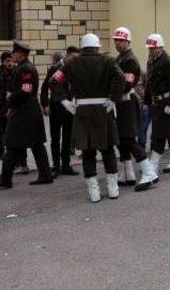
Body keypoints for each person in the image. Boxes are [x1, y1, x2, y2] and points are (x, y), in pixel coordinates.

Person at [49, 33, 125, 202]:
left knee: (88, 152)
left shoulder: (71, 63)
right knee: (108, 150)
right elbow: (120, 78)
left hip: (82, 112)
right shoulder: (108, 61)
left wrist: (64, 102)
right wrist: (113, 98)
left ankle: (94, 193)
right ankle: (113, 189)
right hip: (103, 110)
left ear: (82, 47)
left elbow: (54, 81)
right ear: (97, 46)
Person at [0, 41, 53, 189]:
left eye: (14, 53)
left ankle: (6, 179)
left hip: (25, 112)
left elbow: (26, 90)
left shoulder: (26, 69)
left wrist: (10, 98)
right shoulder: (23, 67)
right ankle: (44, 174)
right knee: (32, 144)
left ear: (21, 54)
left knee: (12, 143)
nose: (12, 55)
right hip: (26, 111)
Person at [138, 33, 170, 189]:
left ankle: (152, 166)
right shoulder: (152, 62)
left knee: (158, 134)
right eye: (149, 48)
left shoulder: (169, 62)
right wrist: (146, 101)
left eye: (153, 48)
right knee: (169, 133)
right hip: (156, 102)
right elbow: (149, 84)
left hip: (166, 102)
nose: (150, 50)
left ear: (160, 47)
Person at [112, 27, 149, 189]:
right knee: (121, 140)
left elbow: (126, 85)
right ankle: (128, 173)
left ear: (127, 41)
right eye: (115, 40)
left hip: (127, 102)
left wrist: (110, 94)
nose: (117, 43)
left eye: (120, 40)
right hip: (121, 103)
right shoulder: (121, 58)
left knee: (128, 139)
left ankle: (148, 171)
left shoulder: (130, 60)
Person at [40, 47, 80, 177]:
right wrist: (45, 104)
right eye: (74, 57)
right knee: (56, 137)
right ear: (67, 55)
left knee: (68, 137)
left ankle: (66, 165)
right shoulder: (55, 68)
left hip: (70, 108)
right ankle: (56, 165)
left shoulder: (75, 68)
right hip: (57, 107)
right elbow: (45, 87)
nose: (76, 60)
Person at [0, 51, 14, 166]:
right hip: (1, 110)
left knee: (14, 134)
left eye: (11, 60)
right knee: (2, 132)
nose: (10, 63)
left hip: (14, 110)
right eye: (7, 61)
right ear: (3, 62)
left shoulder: (17, 72)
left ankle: (16, 158)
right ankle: (2, 153)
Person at [135, 70, 151, 150]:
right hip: (134, 104)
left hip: (144, 102)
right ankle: (141, 144)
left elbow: (147, 85)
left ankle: (142, 144)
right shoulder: (127, 75)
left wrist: (145, 98)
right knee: (139, 125)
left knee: (144, 126)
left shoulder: (142, 73)